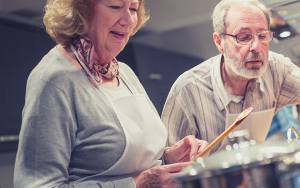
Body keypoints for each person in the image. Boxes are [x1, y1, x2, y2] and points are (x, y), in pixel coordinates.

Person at [14, 0, 210, 187]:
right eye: (115, 6)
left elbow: (135, 164)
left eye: (133, 9)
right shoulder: (54, 80)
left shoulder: (123, 72)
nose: (128, 20)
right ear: (81, 11)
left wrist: (168, 159)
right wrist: (136, 185)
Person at [162, 0, 300, 153]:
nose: (256, 47)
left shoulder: (276, 69)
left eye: (262, 36)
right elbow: (164, 168)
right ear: (220, 42)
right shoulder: (187, 90)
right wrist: (176, 158)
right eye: (243, 37)